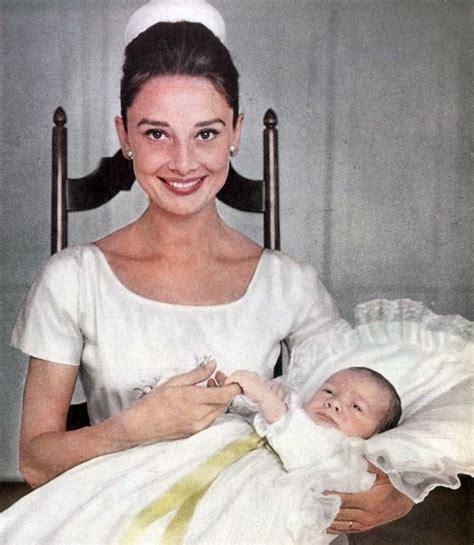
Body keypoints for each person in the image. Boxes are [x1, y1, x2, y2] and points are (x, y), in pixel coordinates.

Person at [7, 0, 413, 538]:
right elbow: (36, 462)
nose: (182, 162)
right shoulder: (73, 280)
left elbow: (367, 408)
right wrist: (136, 427)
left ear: (237, 132)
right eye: (156, 133)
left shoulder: (290, 285)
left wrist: (397, 491)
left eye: (206, 133)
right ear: (124, 135)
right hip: (123, 522)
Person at [1, 366, 401, 545]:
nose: (334, 405)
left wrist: (262, 394)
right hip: (211, 454)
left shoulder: (342, 452)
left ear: (372, 433)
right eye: (330, 391)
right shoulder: (293, 402)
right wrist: (227, 392)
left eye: (355, 408)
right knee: (122, 501)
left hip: (251, 494)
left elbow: (299, 446)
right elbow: (249, 410)